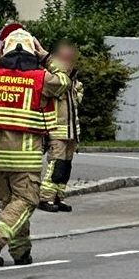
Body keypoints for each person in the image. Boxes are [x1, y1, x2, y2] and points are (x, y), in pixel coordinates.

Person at [0, 28, 68, 267]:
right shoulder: (39, 78)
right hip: (25, 158)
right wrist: (46, 56)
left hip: (0, 159)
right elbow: (64, 80)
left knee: (13, 205)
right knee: (27, 201)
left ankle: (21, 253)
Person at [38, 40, 83, 213]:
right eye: (64, 58)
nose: (69, 63)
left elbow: (77, 101)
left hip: (71, 131)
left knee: (65, 167)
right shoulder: (54, 80)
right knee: (56, 165)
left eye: (70, 59)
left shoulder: (73, 81)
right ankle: (46, 198)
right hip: (57, 129)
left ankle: (58, 196)